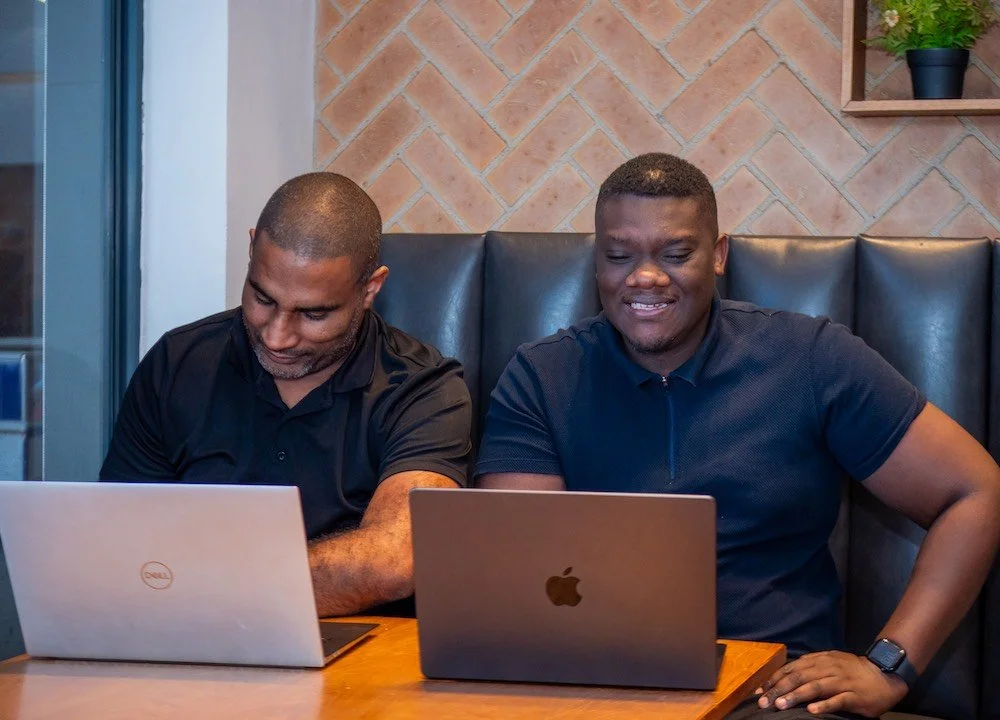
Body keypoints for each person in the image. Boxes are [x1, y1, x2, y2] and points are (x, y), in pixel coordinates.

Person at [475, 153, 1000, 718]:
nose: (644, 277)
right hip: (596, 688)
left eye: (676, 254)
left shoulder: (812, 358)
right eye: (618, 256)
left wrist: (889, 666)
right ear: (596, 261)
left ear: (718, 254)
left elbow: (974, 492)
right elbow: (522, 572)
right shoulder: (541, 376)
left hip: (774, 697)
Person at [102, 172, 472, 617]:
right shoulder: (175, 365)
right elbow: (119, 540)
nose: (276, 337)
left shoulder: (424, 389)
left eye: (313, 314)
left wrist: (203, 587)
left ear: (370, 289)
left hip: (358, 663)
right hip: (191, 640)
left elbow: (393, 559)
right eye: (262, 298)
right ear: (253, 246)